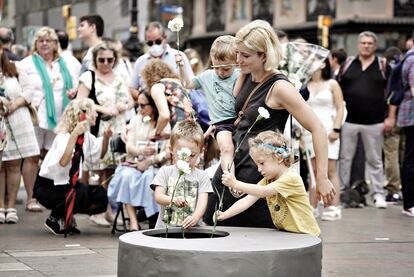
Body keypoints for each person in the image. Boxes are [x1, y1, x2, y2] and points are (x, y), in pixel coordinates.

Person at [203, 20, 335, 228]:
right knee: (212, 222)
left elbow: (317, 128)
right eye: (238, 53)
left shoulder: (280, 87)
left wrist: (322, 177)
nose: (238, 60)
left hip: (260, 170)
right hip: (233, 165)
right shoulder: (246, 74)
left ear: (264, 55)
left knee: (255, 239)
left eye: (245, 55)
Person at [16, 27, 78, 212]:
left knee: (54, 156)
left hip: (60, 120)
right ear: (36, 44)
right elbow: (20, 89)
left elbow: (74, 85)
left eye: (48, 40)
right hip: (35, 118)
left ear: (54, 44)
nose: (44, 43)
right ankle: (31, 197)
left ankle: (53, 196)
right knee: (32, 157)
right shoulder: (26, 64)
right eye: (40, 40)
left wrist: (72, 92)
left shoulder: (64, 63)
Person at [217, 131, 320, 236]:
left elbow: (263, 192)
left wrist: (235, 184)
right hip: (290, 236)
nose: (258, 169)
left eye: (261, 163)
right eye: (257, 164)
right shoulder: (268, 180)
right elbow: (246, 201)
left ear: (279, 158)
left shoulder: (290, 178)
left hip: (307, 236)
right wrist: (225, 214)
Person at [33, 98, 111, 235]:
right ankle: (55, 217)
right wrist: (74, 135)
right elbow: (63, 162)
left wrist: (106, 138)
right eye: (94, 112)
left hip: (68, 185)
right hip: (48, 187)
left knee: (100, 196)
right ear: (83, 114)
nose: (97, 115)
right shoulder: (64, 137)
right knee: (80, 193)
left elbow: (100, 153)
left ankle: (65, 217)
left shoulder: (86, 136)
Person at [77, 42, 132, 226]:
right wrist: (103, 109)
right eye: (102, 60)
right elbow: (80, 102)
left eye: (110, 59)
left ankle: (110, 209)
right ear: (95, 60)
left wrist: (123, 106)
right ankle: (97, 209)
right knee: (98, 169)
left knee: (114, 170)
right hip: (98, 128)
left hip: (119, 128)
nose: (106, 63)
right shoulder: (88, 77)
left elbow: (131, 101)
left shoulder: (119, 77)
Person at [337, 31, 391, 209]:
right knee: (345, 159)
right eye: (363, 43)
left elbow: (391, 93)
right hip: (349, 120)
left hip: (374, 121)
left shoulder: (383, 65)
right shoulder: (347, 64)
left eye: (370, 43)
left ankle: (378, 194)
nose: (366, 46)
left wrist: (390, 117)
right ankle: (342, 192)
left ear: (375, 46)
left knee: (375, 160)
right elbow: (336, 90)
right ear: (358, 45)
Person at [107, 89, 171, 231]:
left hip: (154, 165)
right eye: (138, 105)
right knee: (126, 176)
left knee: (151, 177)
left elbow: (168, 151)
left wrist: (151, 159)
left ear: (153, 106)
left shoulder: (164, 123)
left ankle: (153, 218)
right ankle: (133, 222)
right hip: (133, 163)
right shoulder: (136, 120)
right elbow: (129, 146)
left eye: (143, 105)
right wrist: (141, 151)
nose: (140, 109)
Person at [177, 35, 239, 177]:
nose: (221, 72)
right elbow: (187, 84)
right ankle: (231, 180)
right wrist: (181, 67)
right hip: (222, 123)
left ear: (236, 63)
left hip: (240, 119)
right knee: (227, 148)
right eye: (216, 67)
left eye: (226, 69)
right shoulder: (207, 76)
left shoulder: (239, 75)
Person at [0, 44, 40, 223]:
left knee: (14, 164)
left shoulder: (16, 68)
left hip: (18, 120)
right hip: (1, 123)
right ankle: (0, 206)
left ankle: (11, 207)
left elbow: (29, 91)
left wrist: (13, 105)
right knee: (1, 166)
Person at [152, 119, 213, 229]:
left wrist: (195, 217)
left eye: (192, 155)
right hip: (165, 230)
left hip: (193, 231)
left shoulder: (202, 176)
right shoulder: (165, 172)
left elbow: (202, 203)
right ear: (171, 150)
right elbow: (158, 196)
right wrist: (173, 200)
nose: (187, 159)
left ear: (201, 151)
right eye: (182, 154)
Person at [304, 58, 345, 221]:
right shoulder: (303, 85)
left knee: (330, 170)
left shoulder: (332, 84)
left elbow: (340, 106)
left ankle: (334, 206)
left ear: (323, 64)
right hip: (308, 131)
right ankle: (312, 207)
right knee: (313, 172)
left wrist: (336, 128)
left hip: (328, 129)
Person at [129, 21, 194, 98]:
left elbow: (191, 84)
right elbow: (132, 88)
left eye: (158, 41)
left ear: (165, 38)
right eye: (150, 43)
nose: (154, 45)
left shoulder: (179, 56)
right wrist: (145, 98)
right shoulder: (140, 61)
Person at [140, 59, 193, 135]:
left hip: (181, 130)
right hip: (194, 128)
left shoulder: (157, 86)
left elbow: (164, 116)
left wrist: (156, 132)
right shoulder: (178, 82)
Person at [393, 31, 414, 217]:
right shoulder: (413, 59)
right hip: (412, 116)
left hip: (409, 116)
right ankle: (410, 203)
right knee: (411, 158)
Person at [383, 46, 404, 202]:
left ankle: (394, 189)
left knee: (391, 154)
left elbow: (392, 94)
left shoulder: (392, 71)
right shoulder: (406, 66)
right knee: (405, 155)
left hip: (394, 116)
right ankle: (406, 186)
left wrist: (390, 116)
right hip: (408, 118)